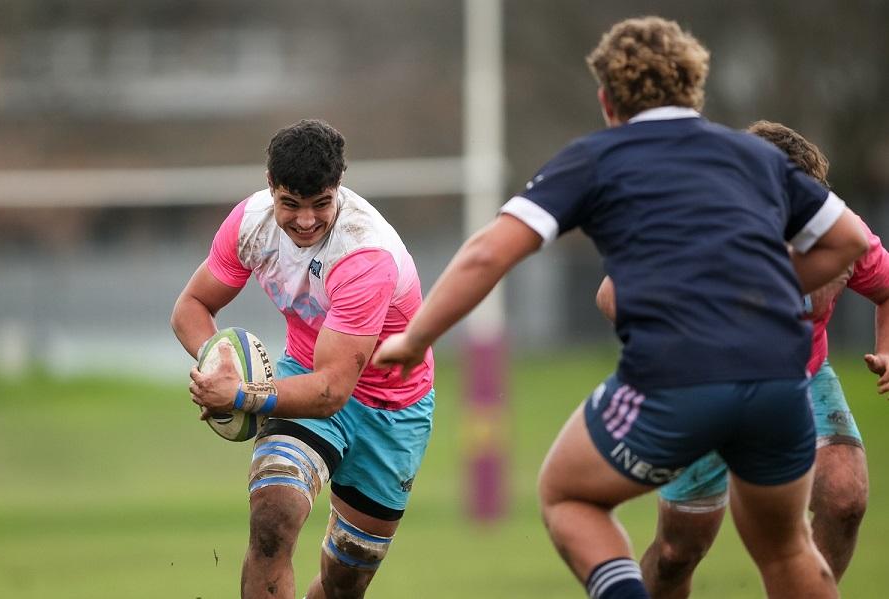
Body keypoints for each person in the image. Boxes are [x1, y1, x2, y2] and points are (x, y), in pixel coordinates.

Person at [372, 16, 868, 599]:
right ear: (695, 88)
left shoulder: (598, 157)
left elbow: (488, 254)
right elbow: (850, 240)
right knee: (786, 552)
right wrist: (765, 291)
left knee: (567, 495)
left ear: (608, 100)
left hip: (677, 375)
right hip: (778, 379)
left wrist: (415, 338)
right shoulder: (754, 156)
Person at [594, 121, 889, 598]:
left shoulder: (841, 237)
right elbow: (612, 296)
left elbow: (887, 287)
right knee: (676, 553)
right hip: (703, 385)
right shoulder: (693, 226)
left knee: (845, 497)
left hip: (800, 379)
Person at [170, 119, 435, 599]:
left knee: (345, 580)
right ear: (271, 187)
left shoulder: (363, 254)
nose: (306, 220)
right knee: (273, 518)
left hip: (392, 410)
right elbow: (191, 308)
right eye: (291, 204)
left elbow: (333, 392)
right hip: (303, 375)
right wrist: (219, 362)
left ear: (339, 188)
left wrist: (241, 394)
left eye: (321, 204)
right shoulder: (251, 224)